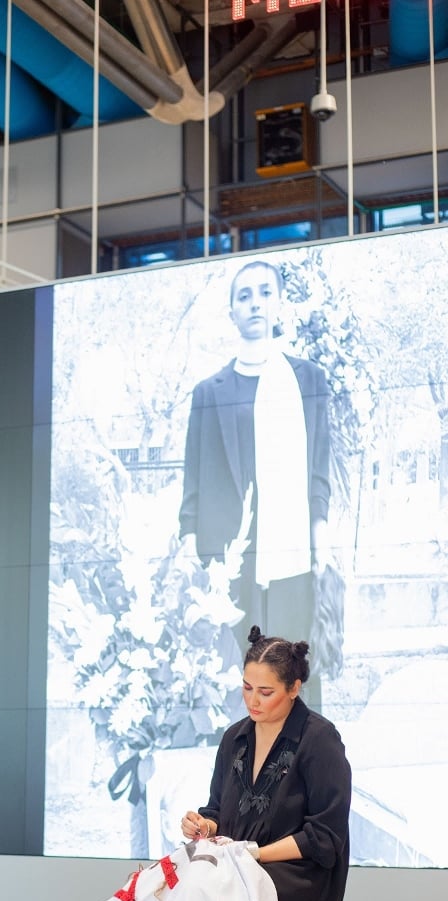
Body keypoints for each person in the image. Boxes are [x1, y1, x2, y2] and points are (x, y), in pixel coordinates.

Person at [178, 259, 332, 669]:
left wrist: (321, 535)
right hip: (229, 554)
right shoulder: (208, 392)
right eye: (244, 296)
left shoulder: (307, 380)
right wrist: (188, 540)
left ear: (280, 302)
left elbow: (318, 466)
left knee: (292, 668)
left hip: (291, 551)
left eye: (265, 293)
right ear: (232, 311)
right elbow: (193, 478)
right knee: (239, 672)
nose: (255, 303)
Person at [181, 627, 351, 901]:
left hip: (299, 876)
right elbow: (217, 811)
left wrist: (253, 854)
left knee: (209, 894)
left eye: (265, 691)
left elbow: (323, 838)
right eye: (246, 688)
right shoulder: (234, 738)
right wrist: (205, 825)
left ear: (294, 689)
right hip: (240, 865)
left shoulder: (319, 740)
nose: (252, 701)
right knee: (177, 885)